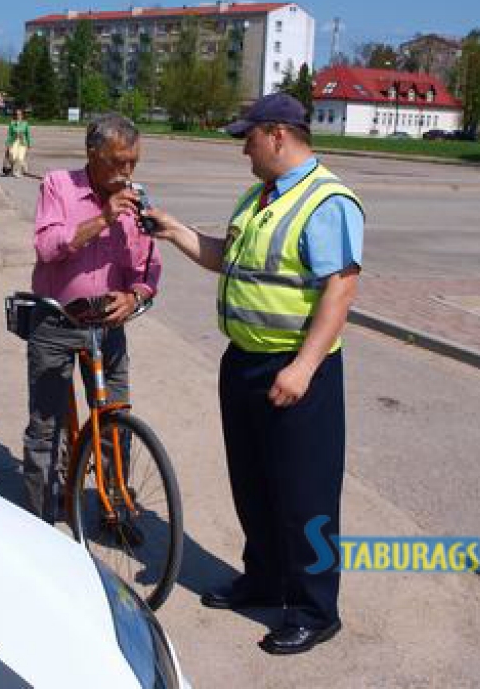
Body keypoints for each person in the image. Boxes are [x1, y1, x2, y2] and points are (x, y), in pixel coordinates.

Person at [145, 92, 364, 655]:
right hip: (243, 362)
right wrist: (174, 230)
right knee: (254, 484)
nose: (242, 148)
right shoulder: (259, 196)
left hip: (296, 369)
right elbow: (229, 257)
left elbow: (339, 290)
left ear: (277, 135)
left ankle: (316, 609)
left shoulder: (327, 200)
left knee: (305, 496)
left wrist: (304, 367)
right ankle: (264, 578)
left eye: (247, 137)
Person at [24, 113, 161, 523]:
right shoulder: (58, 185)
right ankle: (41, 519)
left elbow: (148, 265)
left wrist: (137, 294)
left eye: (133, 162)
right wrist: (103, 218)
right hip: (56, 325)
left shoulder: (138, 198)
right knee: (47, 427)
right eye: (118, 161)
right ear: (92, 154)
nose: (127, 172)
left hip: (108, 328)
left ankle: (114, 504)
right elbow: (47, 247)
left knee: (115, 420)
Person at [2, 108, 32, 177]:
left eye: (19, 114)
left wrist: (29, 144)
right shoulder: (12, 123)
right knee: (13, 155)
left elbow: (28, 134)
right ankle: (23, 165)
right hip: (14, 141)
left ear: (22, 115)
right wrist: (7, 143)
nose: (18, 116)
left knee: (20, 157)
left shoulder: (25, 123)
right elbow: (9, 134)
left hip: (22, 142)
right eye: (16, 114)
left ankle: (18, 172)